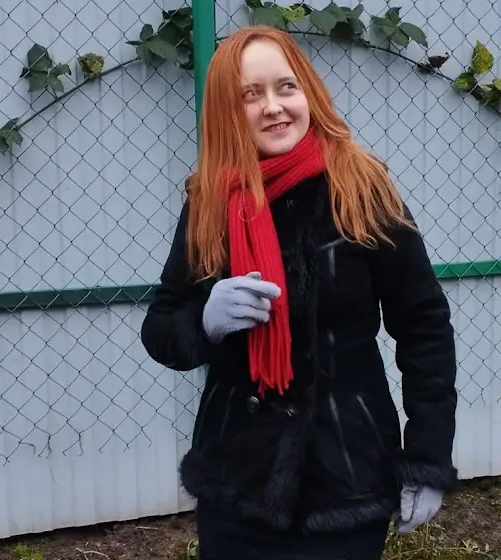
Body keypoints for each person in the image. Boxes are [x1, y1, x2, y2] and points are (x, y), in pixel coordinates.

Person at [140, 25, 457, 560]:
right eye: (250, 94)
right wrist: (205, 322)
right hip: (238, 478)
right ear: (227, 110)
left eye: (286, 87)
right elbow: (161, 329)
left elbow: (424, 326)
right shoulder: (210, 202)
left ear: (307, 91)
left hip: (347, 470)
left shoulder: (362, 189)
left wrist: (427, 457)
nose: (273, 107)